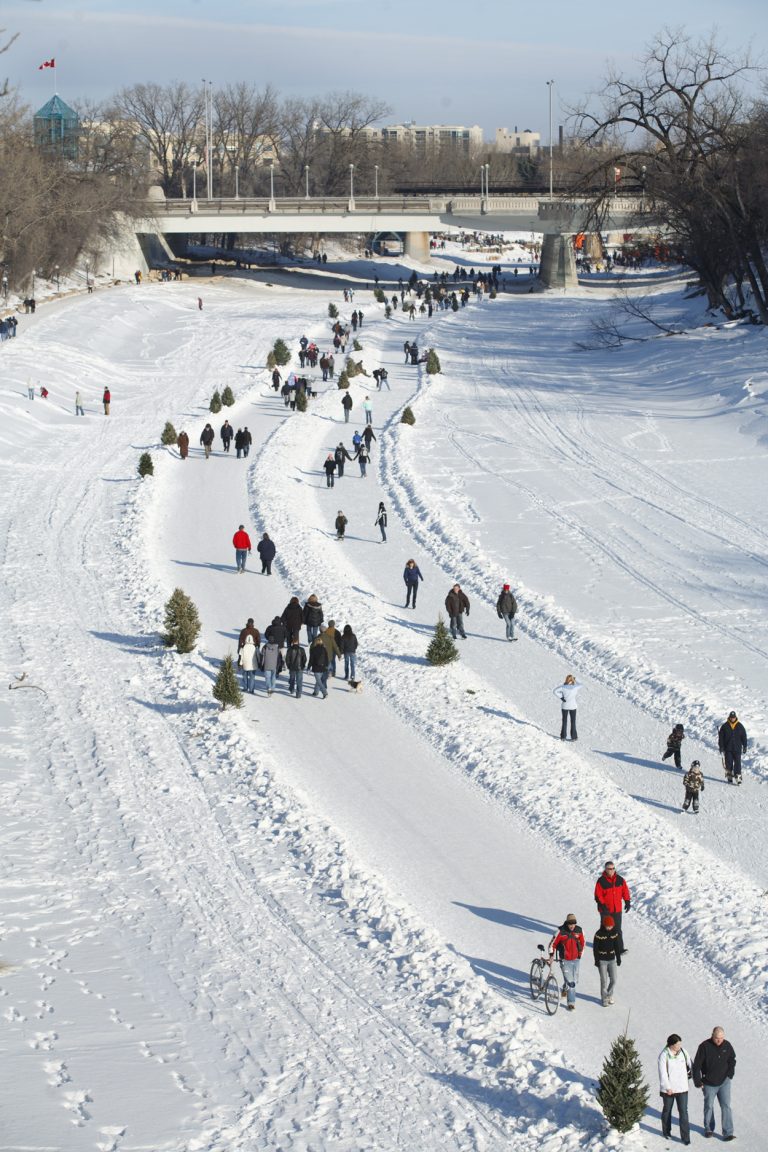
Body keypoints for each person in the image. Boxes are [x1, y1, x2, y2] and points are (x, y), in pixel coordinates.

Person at [692, 1027, 736, 1141]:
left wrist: (730, 1074)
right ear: (712, 1035)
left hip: (724, 1082)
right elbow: (696, 1066)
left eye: (721, 1038)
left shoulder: (727, 1045)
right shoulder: (704, 1046)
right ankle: (709, 1129)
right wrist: (698, 1081)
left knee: (726, 1106)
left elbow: (732, 1059)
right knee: (709, 1106)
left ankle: (728, 1132)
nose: (719, 1040)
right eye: (717, 1038)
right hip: (709, 1083)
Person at [658, 1033, 692, 1145]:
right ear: (671, 1045)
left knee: (684, 1112)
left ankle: (685, 1137)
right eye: (677, 1045)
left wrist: (692, 1075)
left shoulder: (683, 1052)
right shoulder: (664, 1055)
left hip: (682, 1088)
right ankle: (666, 1131)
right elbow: (663, 1073)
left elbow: (690, 1065)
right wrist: (667, 1087)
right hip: (669, 1090)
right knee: (667, 1110)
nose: (679, 1046)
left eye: (680, 1044)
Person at [548, 914, 584, 1011]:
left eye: (574, 924)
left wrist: (580, 954)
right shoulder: (560, 932)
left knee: (574, 980)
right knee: (572, 983)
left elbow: (582, 942)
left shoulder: (579, 931)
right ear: (567, 923)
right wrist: (551, 956)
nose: (572, 926)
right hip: (564, 960)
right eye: (570, 924)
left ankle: (565, 988)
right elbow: (552, 944)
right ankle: (571, 1003)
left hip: (576, 960)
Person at [594, 861, 631, 952]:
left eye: (613, 868)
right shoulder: (601, 881)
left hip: (617, 910)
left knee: (617, 929)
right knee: (605, 930)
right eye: (610, 869)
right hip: (605, 910)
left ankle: (619, 948)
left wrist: (627, 901)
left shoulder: (620, 880)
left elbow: (625, 891)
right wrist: (603, 905)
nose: (612, 870)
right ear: (606, 870)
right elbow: (598, 895)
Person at [592, 915, 621, 1006]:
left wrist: (618, 957)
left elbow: (616, 945)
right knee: (604, 981)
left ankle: (609, 995)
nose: (609, 927)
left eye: (611, 926)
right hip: (602, 960)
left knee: (614, 979)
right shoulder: (599, 934)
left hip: (612, 959)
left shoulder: (614, 933)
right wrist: (597, 960)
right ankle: (604, 998)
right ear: (604, 925)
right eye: (608, 926)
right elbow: (595, 948)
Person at [718, 711, 747, 784]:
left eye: (734, 718)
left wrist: (745, 746)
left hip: (737, 749)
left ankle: (738, 777)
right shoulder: (724, 726)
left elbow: (744, 737)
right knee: (729, 763)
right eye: (731, 717)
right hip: (728, 749)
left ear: (735, 717)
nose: (733, 719)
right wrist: (721, 747)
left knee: (738, 763)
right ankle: (729, 776)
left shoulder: (740, 726)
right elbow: (721, 738)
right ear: (729, 717)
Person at [554, 674, 582, 741]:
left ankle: (563, 737)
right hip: (573, 706)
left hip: (565, 706)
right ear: (572, 680)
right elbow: (581, 684)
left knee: (564, 721)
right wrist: (575, 679)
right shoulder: (575, 687)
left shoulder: (563, 687)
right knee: (573, 722)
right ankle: (574, 737)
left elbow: (555, 691)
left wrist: (561, 697)